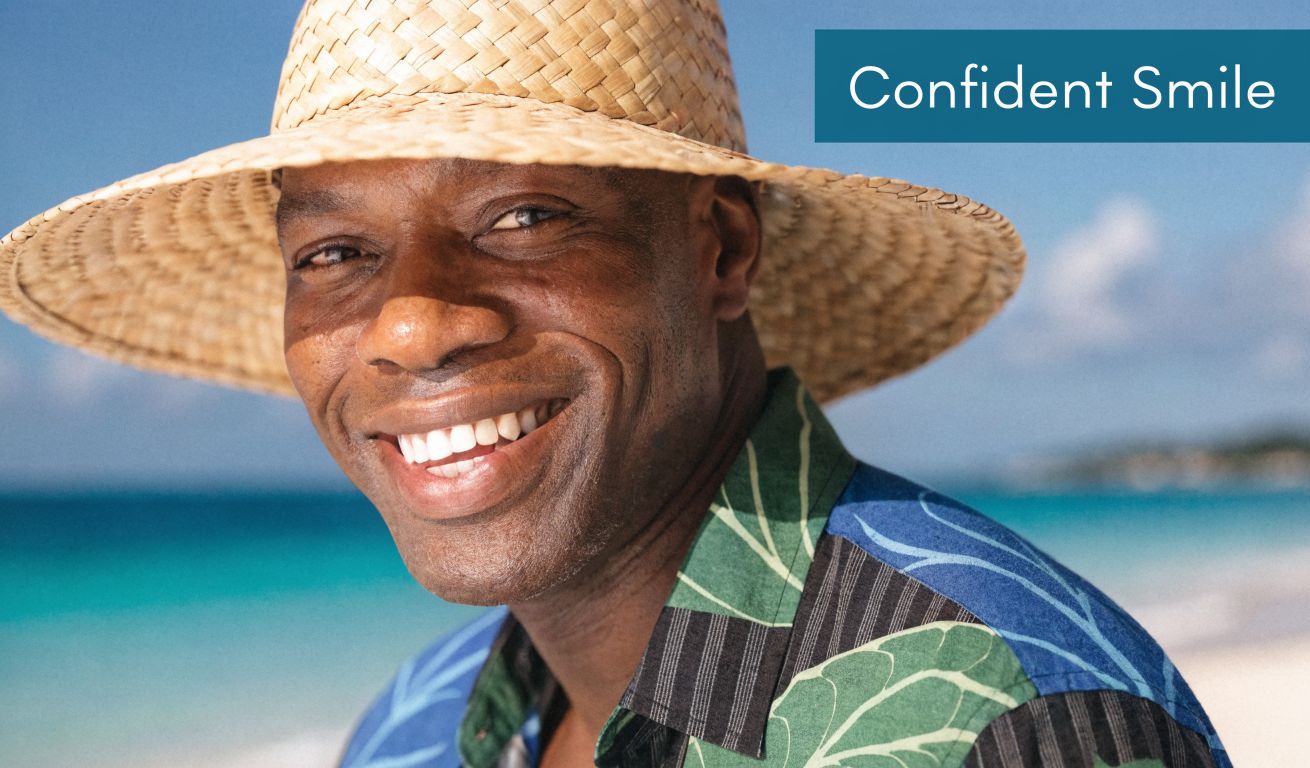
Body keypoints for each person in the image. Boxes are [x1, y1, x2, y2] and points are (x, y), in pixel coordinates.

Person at [0, 1, 1228, 766]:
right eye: (334, 254)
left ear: (720, 251)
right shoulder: (414, 732)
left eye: (523, 216)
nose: (412, 327)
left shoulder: (1000, 726)